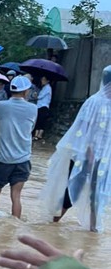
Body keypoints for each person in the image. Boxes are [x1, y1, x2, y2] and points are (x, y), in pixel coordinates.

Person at [43, 64, 111, 232]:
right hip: (84, 156)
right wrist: (88, 156)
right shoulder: (94, 102)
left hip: (104, 159)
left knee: (97, 195)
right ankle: (53, 224)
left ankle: (93, 230)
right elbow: (82, 130)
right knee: (71, 191)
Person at [0, 74, 37, 218]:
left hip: (3, 159)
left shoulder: (1, 106)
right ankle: (15, 227)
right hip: (23, 160)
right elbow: (31, 128)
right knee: (16, 195)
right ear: (26, 91)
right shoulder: (33, 108)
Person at [33, 74, 52, 140]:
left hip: (44, 106)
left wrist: (36, 96)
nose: (42, 81)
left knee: (41, 120)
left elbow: (40, 97)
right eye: (42, 79)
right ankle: (36, 134)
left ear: (47, 81)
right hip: (39, 106)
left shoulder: (48, 88)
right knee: (38, 120)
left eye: (43, 80)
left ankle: (39, 135)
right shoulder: (44, 88)